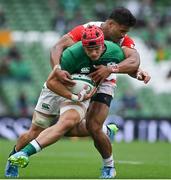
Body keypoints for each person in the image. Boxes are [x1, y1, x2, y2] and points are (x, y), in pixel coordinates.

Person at [5, 7, 151, 178]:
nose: (123, 35)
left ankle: (109, 166)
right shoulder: (86, 31)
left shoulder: (122, 42)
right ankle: (13, 157)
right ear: (110, 24)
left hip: (103, 79)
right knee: (44, 130)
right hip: (76, 77)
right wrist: (57, 69)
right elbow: (58, 46)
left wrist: (119, 69)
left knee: (92, 126)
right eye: (122, 30)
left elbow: (133, 60)